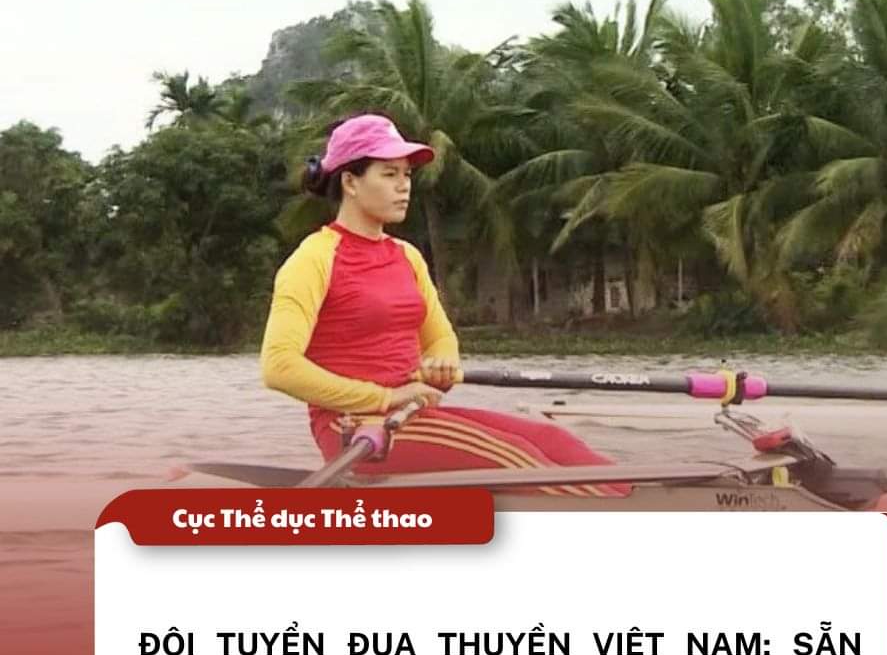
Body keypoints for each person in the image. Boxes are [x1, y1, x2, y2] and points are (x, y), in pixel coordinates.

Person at [260, 113, 626, 497]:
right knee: (519, 459)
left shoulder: (407, 256)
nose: (404, 186)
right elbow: (279, 367)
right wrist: (385, 397)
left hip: (411, 414)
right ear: (350, 182)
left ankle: (641, 501)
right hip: (353, 429)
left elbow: (440, 338)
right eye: (389, 174)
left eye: (407, 174)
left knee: (553, 440)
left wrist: (441, 364)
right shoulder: (313, 259)